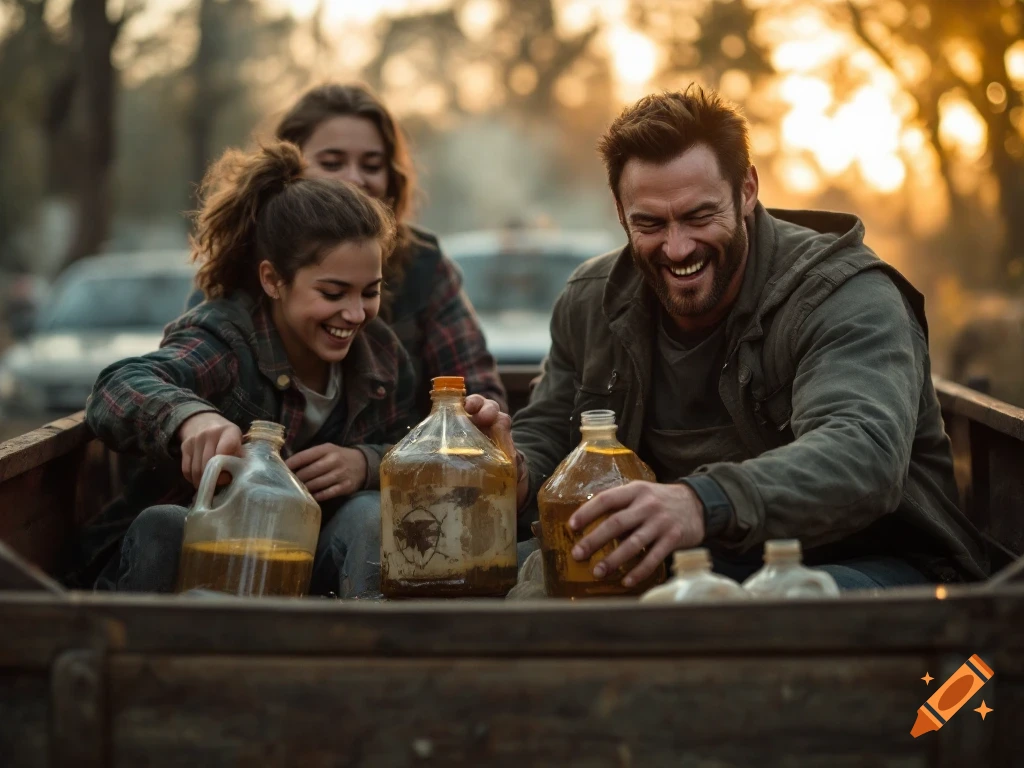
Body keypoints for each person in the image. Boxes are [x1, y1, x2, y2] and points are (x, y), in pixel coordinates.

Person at [471, 85, 989, 591]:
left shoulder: (846, 295)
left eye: (700, 216)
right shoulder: (590, 299)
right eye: (649, 223)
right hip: (685, 568)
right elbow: (553, 433)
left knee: (755, 611)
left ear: (747, 190)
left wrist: (700, 501)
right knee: (494, 582)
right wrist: (516, 475)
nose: (676, 248)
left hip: (871, 562)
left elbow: (861, 453)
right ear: (619, 210)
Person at [71, 141, 416, 597]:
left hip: (315, 568)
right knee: (164, 524)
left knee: (371, 513)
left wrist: (368, 464)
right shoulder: (225, 338)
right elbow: (118, 386)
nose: (355, 314)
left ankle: (360, 657)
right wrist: (190, 417)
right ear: (273, 280)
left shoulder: (382, 358)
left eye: (368, 292)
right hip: (206, 559)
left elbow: (412, 445)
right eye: (333, 294)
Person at [187, 83, 507, 419]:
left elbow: (474, 392)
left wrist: (367, 461)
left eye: (371, 165)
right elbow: (176, 373)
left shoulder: (423, 265)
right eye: (332, 162)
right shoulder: (239, 263)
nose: (354, 179)